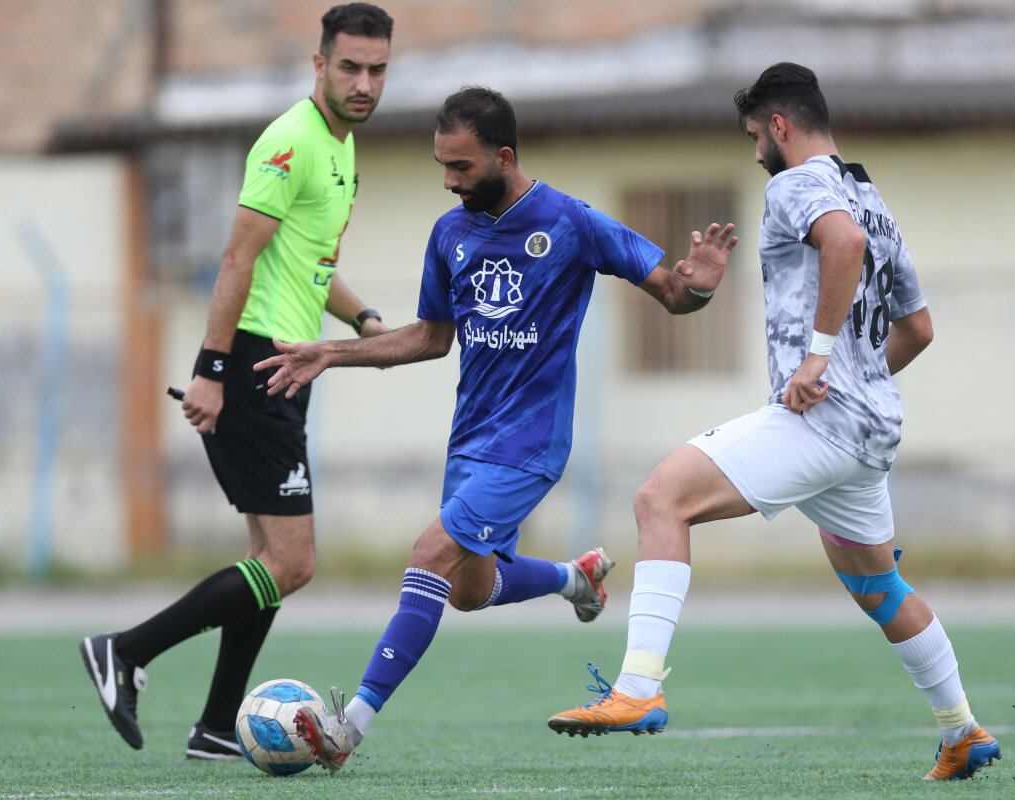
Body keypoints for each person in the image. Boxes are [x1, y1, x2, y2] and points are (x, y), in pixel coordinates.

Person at [252, 86, 738, 776]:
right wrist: (332, 351)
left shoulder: (571, 222)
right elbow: (431, 337)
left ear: (504, 157)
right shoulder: (449, 234)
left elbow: (673, 291)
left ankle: (348, 728)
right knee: (468, 591)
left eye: (462, 166)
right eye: (442, 166)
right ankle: (575, 578)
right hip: (470, 440)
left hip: (530, 444)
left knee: (429, 555)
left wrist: (704, 286)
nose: (449, 181)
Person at [547, 63, 1003, 783]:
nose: (756, 150)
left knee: (661, 499)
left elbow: (843, 245)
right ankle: (962, 730)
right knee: (878, 587)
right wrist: (852, 376)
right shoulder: (872, 198)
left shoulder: (795, 185)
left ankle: (637, 690)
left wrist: (819, 362)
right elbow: (917, 328)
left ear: (780, 126)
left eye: (756, 135)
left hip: (822, 424)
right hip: (870, 432)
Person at [79, 3, 396, 759]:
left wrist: (363, 318)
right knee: (293, 563)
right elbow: (237, 259)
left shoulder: (341, 148)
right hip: (254, 366)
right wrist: (210, 372)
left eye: (377, 70)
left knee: (268, 562)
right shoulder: (291, 141)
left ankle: (218, 725)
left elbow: (309, 264)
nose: (363, 83)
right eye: (349, 67)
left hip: (285, 368)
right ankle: (125, 650)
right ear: (318, 64)